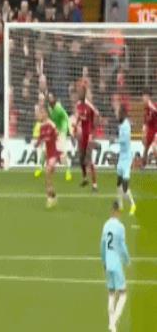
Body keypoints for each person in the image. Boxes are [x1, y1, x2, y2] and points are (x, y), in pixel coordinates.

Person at [100, 201, 130, 332]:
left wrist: (104, 261)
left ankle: (110, 321)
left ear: (111, 211)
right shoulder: (120, 227)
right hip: (116, 263)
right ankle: (113, 322)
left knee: (111, 292)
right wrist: (127, 260)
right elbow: (122, 246)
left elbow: (102, 245)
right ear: (117, 212)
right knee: (123, 294)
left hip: (108, 263)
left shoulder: (106, 225)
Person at [112, 105, 136, 216]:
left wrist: (115, 140)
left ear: (122, 113)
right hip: (122, 156)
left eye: (118, 112)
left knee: (125, 186)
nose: (116, 115)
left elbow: (124, 140)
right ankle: (120, 204)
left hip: (127, 158)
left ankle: (132, 204)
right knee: (119, 181)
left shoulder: (126, 125)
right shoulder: (121, 124)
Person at [75, 86, 99, 191]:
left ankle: (94, 184)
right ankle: (85, 179)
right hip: (81, 136)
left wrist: (93, 132)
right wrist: (75, 126)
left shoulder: (89, 105)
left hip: (88, 135)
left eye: (80, 92)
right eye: (78, 92)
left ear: (84, 93)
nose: (78, 94)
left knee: (89, 161)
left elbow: (97, 115)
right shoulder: (78, 104)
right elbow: (78, 117)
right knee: (81, 158)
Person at [35, 108, 59, 209]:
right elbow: (41, 138)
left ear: (46, 114)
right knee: (48, 179)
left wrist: (60, 152)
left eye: (42, 112)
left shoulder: (51, 124)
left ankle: (49, 198)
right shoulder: (41, 127)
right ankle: (53, 196)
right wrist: (37, 144)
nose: (40, 115)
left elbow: (57, 136)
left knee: (47, 172)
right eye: (40, 113)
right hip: (48, 154)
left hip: (54, 154)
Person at [47, 92, 72, 181]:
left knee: (61, 153)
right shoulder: (49, 107)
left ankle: (68, 171)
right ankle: (51, 168)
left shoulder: (58, 107)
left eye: (51, 97)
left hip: (62, 130)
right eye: (49, 97)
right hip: (55, 130)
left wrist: (70, 130)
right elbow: (51, 119)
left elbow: (66, 117)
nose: (50, 99)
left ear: (54, 98)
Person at [141, 88, 157, 167]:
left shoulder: (153, 105)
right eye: (143, 96)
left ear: (148, 97)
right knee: (146, 149)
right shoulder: (146, 108)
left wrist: (153, 108)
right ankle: (143, 166)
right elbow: (145, 121)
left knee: (154, 147)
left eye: (144, 96)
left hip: (156, 129)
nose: (143, 98)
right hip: (150, 130)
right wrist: (143, 133)